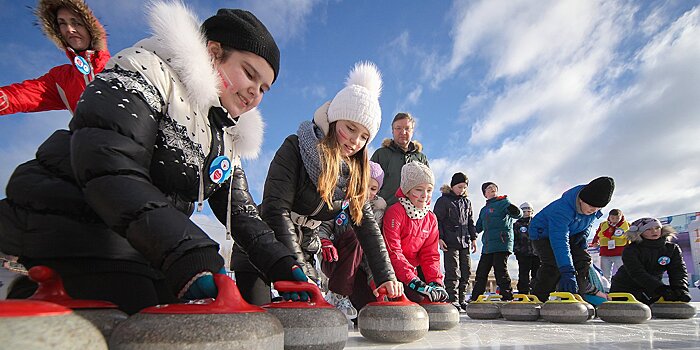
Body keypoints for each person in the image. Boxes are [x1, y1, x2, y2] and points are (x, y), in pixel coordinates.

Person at [0, 2, 308, 314]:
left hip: (139, 242)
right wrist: (189, 253)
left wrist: (285, 265)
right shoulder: (145, 71)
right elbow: (111, 166)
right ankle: (36, 297)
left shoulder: (226, 133)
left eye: (264, 88)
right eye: (249, 74)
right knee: (148, 318)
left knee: (181, 314)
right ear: (213, 52)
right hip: (71, 224)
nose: (254, 92)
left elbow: (242, 214)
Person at [232, 61, 403, 305]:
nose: (355, 141)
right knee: (258, 322)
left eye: (364, 136)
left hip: (303, 249)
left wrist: (385, 276)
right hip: (262, 246)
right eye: (350, 128)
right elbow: (275, 209)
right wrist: (295, 269)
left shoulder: (353, 175)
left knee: (308, 319)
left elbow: (366, 227)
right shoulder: (295, 147)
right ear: (334, 122)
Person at [1, 0, 110, 116]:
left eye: (76, 22)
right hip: (88, 133)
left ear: (90, 27)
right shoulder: (62, 79)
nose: (69, 29)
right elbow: (20, 96)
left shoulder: (119, 64)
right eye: (62, 23)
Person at [529, 176, 615, 303]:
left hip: (571, 232)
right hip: (542, 234)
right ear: (581, 200)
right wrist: (567, 271)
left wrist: (584, 234)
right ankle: (538, 298)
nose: (593, 211)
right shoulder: (562, 209)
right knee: (553, 264)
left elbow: (588, 223)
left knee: (583, 260)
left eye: (598, 209)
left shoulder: (592, 209)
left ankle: (577, 294)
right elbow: (559, 241)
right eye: (591, 207)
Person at [318, 160, 386, 319]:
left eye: (373, 188)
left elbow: (375, 248)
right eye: (364, 184)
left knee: (369, 310)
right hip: (334, 259)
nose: (367, 191)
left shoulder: (377, 211)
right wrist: (324, 241)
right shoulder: (338, 200)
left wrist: (374, 278)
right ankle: (337, 295)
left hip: (359, 268)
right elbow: (323, 226)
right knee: (357, 234)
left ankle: (350, 304)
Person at [382, 161, 448, 303]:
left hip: (414, 271)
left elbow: (430, 255)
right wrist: (413, 281)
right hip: (395, 270)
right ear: (407, 190)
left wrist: (435, 282)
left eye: (429, 190)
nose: (425, 195)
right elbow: (393, 251)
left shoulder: (431, 218)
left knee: (432, 300)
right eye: (418, 189)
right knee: (414, 302)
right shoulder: (395, 212)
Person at [610, 218, 691, 305]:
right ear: (639, 233)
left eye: (657, 228)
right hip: (626, 289)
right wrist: (660, 289)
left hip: (653, 289)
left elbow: (678, 270)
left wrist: (680, 288)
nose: (654, 231)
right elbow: (637, 272)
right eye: (648, 229)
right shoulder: (631, 250)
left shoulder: (671, 248)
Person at [469, 182, 522, 301]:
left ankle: (507, 296)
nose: (492, 189)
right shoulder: (483, 210)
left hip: (501, 243)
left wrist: (515, 209)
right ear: (485, 194)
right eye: (489, 188)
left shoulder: (503, 203)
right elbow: (478, 227)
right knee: (481, 272)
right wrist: (468, 232)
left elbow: (518, 215)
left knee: (500, 270)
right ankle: (475, 297)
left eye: (494, 188)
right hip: (488, 246)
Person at [433, 172, 477, 310]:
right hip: (450, 241)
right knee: (453, 271)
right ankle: (453, 299)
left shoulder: (467, 202)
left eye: (464, 187)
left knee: (466, 271)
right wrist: (440, 238)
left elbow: (470, 222)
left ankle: (462, 299)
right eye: (459, 187)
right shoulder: (443, 200)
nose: (462, 190)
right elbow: (437, 220)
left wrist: (474, 238)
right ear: (452, 186)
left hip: (465, 241)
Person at [370, 112, 429, 207]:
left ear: (412, 131)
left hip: (414, 214)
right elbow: (367, 182)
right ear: (392, 131)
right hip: (385, 210)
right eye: (398, 128)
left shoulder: (421, 158)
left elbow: (428, 186)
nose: (403, 132)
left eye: (407, 128)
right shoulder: (381, 154)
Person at [591, 208, 630, 280]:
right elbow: (597, 234)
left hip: (620, 253)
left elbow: (630, 238)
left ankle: (625, 288)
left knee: (624, 272)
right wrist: (595, 242)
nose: (615, 220)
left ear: (621, 217)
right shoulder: (603, 225)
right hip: (605, 252)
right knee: (605, 274)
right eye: (612, 218)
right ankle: (607, 289)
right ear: (609, 217)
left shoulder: (626, 225)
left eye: (617, 218)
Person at [513, 202, 539, 294]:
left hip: (536, 254)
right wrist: (517, 251)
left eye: (529, 211)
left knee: (537, 275)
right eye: (525, 211)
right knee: (523, 275)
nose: (527, 213)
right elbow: (514, 239)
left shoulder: (537, 223)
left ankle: (537, 292)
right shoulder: (517, 224)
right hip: (523, 254)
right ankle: (523, 293)